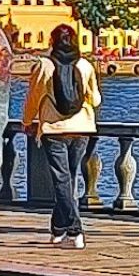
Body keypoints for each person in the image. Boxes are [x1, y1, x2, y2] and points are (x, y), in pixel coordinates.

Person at [23, 23, 101, 247]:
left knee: (61, 180)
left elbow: (33, 97)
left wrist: (27, 121)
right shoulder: (85, 65)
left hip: (54, 129)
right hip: (82, 128)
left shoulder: (44, 65)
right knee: (69, 179)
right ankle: (58, 229)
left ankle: (75, 230)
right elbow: (95, 100)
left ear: (52, 42)